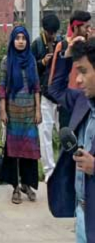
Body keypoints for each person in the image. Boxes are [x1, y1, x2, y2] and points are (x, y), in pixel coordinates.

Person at [47, 37, 95, 242]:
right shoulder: (82, 100)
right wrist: (65, 57)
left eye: (83, 71)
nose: (78, 80)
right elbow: (55, 90)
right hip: (82, 212)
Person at [0, 26, 42, 205]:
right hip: (13, 112)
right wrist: (2, 109)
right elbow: (2, 87)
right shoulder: (6, 61)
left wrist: (38, 109)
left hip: (29, 113)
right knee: (13, 152)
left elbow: (37, 87)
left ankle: (27, 184)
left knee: (29, 151)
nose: (21, 41)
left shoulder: (31, 60)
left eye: (24, 38)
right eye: (17, 38)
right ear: (12, 40)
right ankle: (15, 187)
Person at [32, 14, 62, 182]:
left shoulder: (60, 42)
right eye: (50, 33)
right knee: (45, 135)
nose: (53, 36)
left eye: (54, 33)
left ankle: (64, 169)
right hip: (44, 95)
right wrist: (42, 62)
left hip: (59, 96)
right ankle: (49, 172)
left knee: (64, 131)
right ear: (45, 30)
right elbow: (30, 68)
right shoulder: (37, 44)